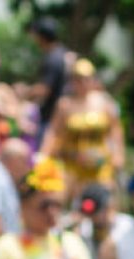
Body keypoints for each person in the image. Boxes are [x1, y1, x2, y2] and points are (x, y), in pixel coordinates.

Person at [40, 58, 124, 199]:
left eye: (86, 79)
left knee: (102, 200)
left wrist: (118, 155)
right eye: (78, 79)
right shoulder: (65, 105)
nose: (82, 83)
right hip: (72, 164)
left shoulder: (104, 102)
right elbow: (53, 132)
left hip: (100, 165)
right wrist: (44, 155)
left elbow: (115, 131)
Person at [26, 17, 69, 148]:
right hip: (61, 117)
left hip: (51, 119)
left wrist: (24, 92)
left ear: (42, 37)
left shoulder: (52, 58)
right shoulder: (62, 53)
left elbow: (44, 89)